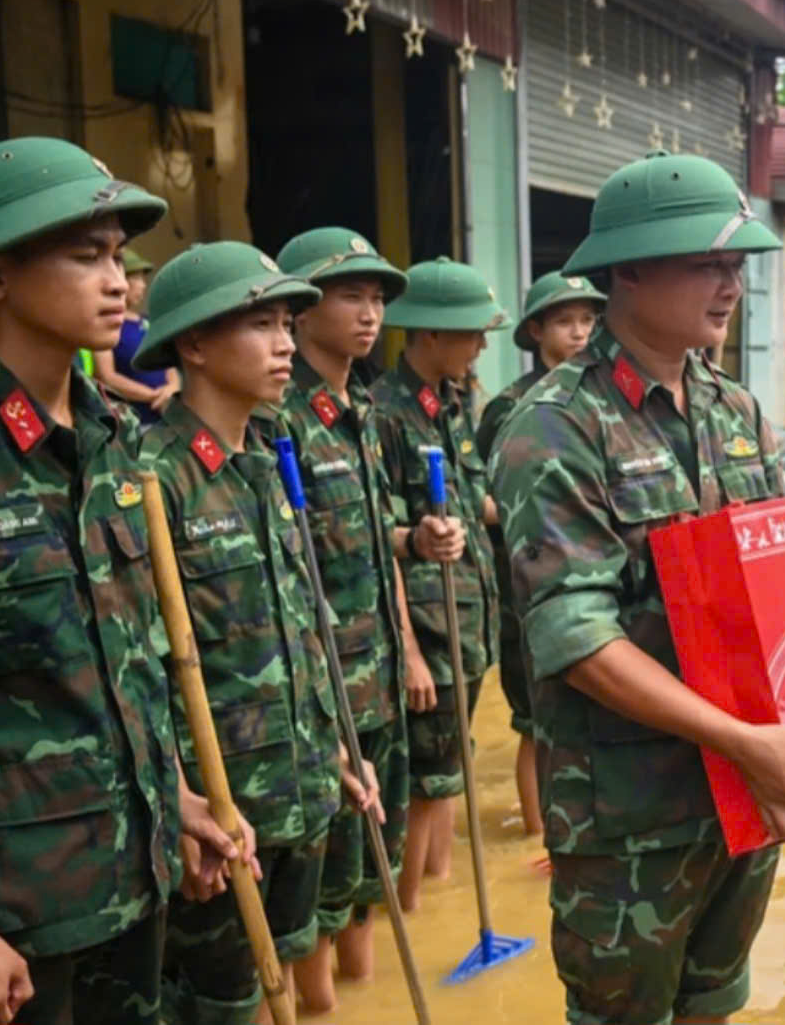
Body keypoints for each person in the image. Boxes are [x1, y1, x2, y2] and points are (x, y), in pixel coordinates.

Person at [491, 151, 785, 1025]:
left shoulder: (734, 410)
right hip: (627, 818)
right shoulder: (554, 427)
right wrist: (739, 740)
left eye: (736, 265)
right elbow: (576, 641)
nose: (731, 285)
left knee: (715, 1007)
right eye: (705, 263)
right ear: (628, 270)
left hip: (741, 801)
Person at [0, 136, 246, 1025]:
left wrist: (176, 803)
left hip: (133, 878)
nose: (119, 282)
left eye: (117, 259)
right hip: (13, 908)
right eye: (84, 255)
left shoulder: (116, 439)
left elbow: (126, 657)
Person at [131, 241, 375, 1024]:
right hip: (222, 815)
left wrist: (333, 745)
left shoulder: (265, 463)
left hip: (296, 789)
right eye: (260, 324)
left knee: (288, 994)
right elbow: (137, 670)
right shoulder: (149, 478)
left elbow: (298, 623)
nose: (282, 344)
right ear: (194, 345)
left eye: (286, 323)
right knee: (220, 1005)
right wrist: (182, 804)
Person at [271, 227, 434, 1010]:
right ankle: (326, 1006)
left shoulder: (361, 413)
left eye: (376, 298)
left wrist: (409, 648)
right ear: (300, 310)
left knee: (374, 870)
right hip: (321, 694)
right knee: (320, 890)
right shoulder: (281, 423)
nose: (370, 313)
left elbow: (375, 549)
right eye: (350, 295)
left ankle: (367, 1001)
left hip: (379, 678)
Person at [371, 257, 500, 908]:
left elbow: (476, 507)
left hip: (468, 616)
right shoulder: (386, 416)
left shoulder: (452, 403)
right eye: (472, 331)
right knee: (426, 778)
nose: (482, 344)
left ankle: (442, 898)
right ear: (428, 334)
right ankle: (413, 906)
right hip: (427, 624)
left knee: (453, 768)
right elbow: (383, 544)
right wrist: (412, 651)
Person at [476, 270, 604, 840]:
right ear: (535, 330)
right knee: (534, 718)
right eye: (564, 321)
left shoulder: (598, 399)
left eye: (587, 320)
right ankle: (536, 836)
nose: (579, 333)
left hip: (591, 583)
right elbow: (485, 497)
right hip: (528, 584)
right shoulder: (510, 408)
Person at [92, 248, 179, 424]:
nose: (143, 285)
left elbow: (170, 364)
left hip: (168, 416)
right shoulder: (105, 323)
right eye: (137, 278)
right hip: (133, 422)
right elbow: (107, 376)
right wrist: (154, 396)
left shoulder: (149, 320)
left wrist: (172, 389)